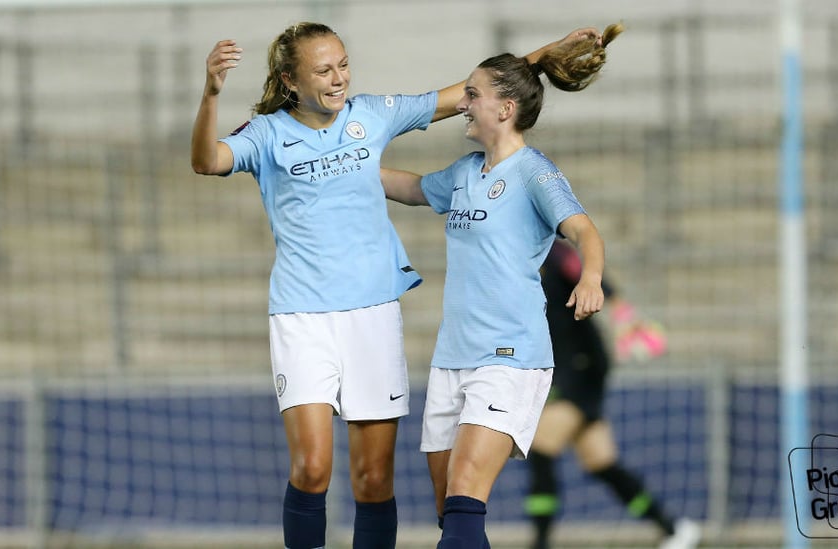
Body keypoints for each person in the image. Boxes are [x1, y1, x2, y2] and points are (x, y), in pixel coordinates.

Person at [189, 22, 602, 549]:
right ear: (290, 80)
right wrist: (211, 92)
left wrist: (546, 55)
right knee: (313, 468)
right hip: (301, 316)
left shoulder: (373, 115)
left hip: (375, 316)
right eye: (323, 70)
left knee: (376, 481)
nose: (338, 78)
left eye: (343, 64)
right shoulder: (266, 134)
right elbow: (206, 161)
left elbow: (471, 94)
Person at [380, 22, 624, 548]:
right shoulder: (466, 171)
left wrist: (592, 278)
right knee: (453, 514)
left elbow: (585, 230)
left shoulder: (535, 172)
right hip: (453, 357)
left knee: (467, 494)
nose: (463, 103)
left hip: (509, 356)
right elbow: (412, 188)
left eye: (472, 94)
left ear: (505, 109)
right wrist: (348, 166)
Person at [524, 238, 701, 549]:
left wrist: (621, 308)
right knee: (601, 462)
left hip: (582, 366)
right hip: (566, 368)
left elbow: (582, 268)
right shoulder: (512, 262)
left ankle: (540, 543)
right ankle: (673, 528)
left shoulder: (549, 250)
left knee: (541, 450)